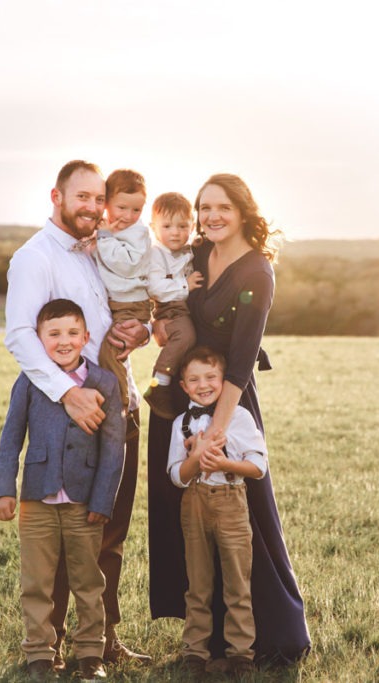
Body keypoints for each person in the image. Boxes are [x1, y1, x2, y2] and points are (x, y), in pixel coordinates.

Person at [147, 173, 311, 665]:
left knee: (244, 514)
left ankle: (271, 631)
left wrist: (216, 432)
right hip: (179, 396)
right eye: (204, 208)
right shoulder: (196, 253)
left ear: (243, 210)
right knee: (185, 514)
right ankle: (205, 635)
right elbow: (169, 297)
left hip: (228, 401)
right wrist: (159, 322)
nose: (210, 216)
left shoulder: (257, 273)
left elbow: (239, 363)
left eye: (221, 207)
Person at [4, 160, 152, 667]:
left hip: (120, 403)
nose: (92, 207)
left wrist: (139, 333)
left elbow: (120, 314)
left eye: (98, 198)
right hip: (73, 417)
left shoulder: (97, 251)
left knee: (108, 527)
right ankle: (51, 646)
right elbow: (21, 336)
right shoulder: (34, 257)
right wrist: (68, 394)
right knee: (69, 537)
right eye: (82, 197)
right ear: (57, 196)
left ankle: (103, 640)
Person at [0, 299, 124, 681]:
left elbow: (114, 447)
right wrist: (6, 490)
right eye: (53, 334)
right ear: (40, 339)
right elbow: (11, 438)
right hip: (38, 498)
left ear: (86, 337)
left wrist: (103, 499)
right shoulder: (32, 379)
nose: (63, 341)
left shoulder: (105, 382)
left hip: (86, 503)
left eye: (72, 333)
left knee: (89, 580)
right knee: (36, 581)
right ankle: (39, 654)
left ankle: (90, 655)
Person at [167, 346, 268, 678]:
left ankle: (241, 654)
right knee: (198, 583)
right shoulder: (182, 423)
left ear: (225, 381)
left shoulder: (239, 416)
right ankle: (195, 653)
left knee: (237, 582)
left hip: (231, 500)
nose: (203, 384)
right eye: (194, 379)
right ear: (183, 386)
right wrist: (195, 457)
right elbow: (176, 476)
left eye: (211, 377)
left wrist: (224, 462)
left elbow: (258, 467)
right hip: (193, 502)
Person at [95, 169, 152, 411]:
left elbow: (127, 264)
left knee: (111, 353)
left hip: (131, 304)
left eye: (136, 210)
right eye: (122, 208)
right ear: (107, 204)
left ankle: (120, 405)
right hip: (119, 302)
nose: (129, 215)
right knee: (111, 351)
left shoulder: (138, 232)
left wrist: (105, 238)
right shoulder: (109, 228)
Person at [143, 191, 203, 420]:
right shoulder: (157, 254)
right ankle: (159, 383)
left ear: (192, 225)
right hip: (169, 307)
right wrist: (185, 284)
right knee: (185, 335)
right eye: (167, 226)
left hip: (181, 305)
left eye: (182, 226)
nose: (175, 232)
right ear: (153, 227)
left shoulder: (188, 249)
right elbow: (155, 288)